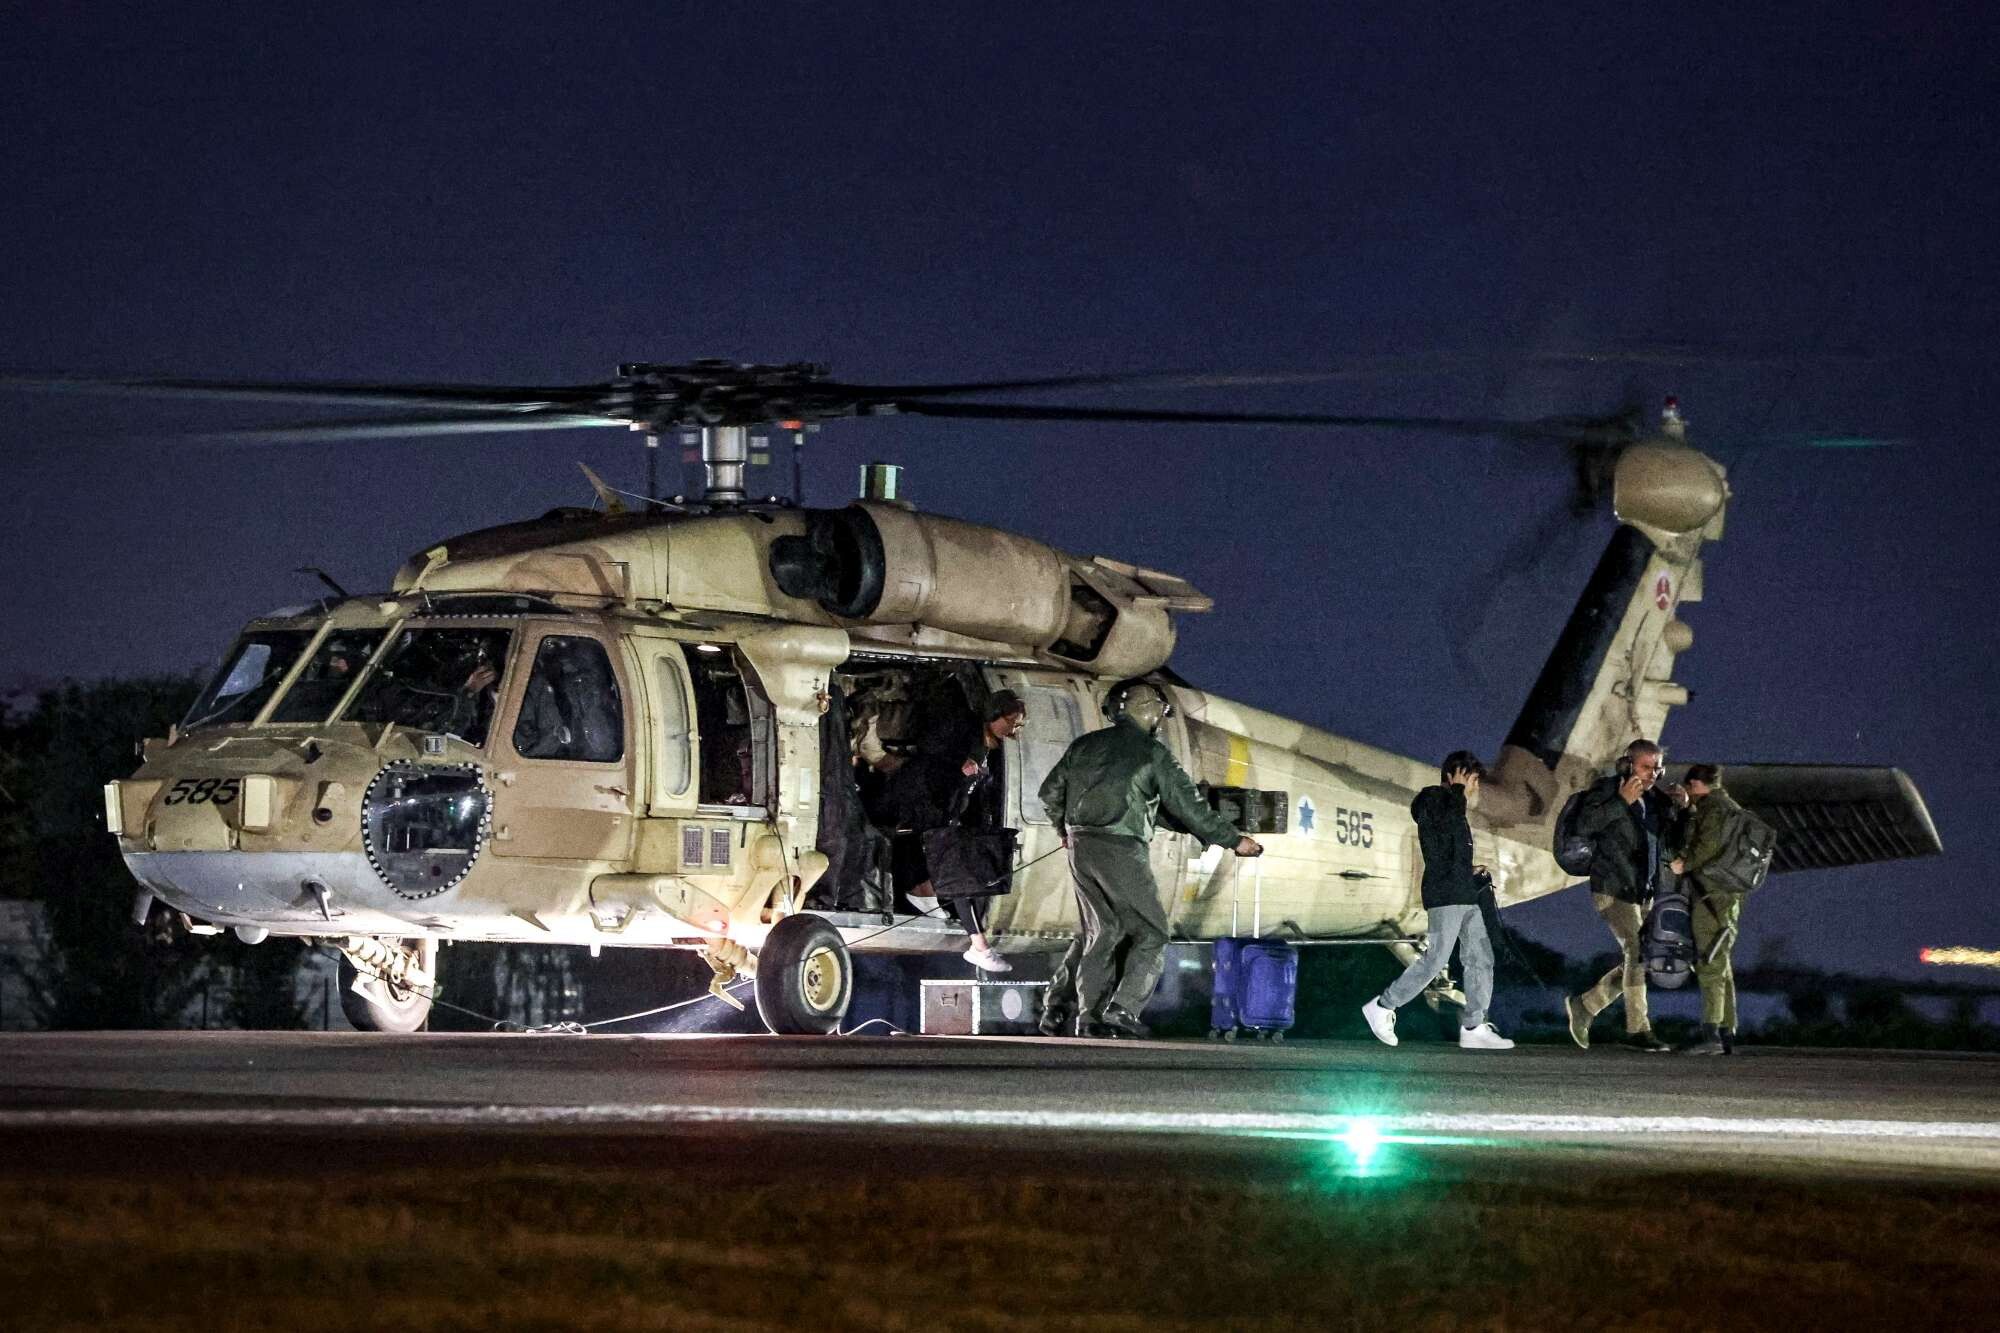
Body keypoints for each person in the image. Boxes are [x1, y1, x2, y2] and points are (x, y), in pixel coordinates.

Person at [1038, 680, 1263, 1039]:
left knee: (1103, 931)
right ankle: (1123, 1008)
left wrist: (1062, 830)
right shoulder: (1152, 753)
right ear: (1147, 711)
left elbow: (1049, 793)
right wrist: (1234, 840)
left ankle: (1085, 1016)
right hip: (1121, 848)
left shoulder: (1084, 745)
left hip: (1081, 847)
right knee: (1153, 931)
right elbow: (1189, 805)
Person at [1361, 752, 1515, 1050]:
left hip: (1465, 891)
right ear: (1454, 776)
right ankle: (1382, 1006)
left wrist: (1469, 870)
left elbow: (1446, 850)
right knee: (1436, 959)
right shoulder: (1432, 799)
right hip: (1445, 894)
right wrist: (1456, 790)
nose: (1475, 787)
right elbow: (1441, 826)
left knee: (1481, 958)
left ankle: (1474, 1027)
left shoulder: (1456, 807)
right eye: (1472, 780)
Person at [1563, 739, 1688, 1052]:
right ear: (1627, 765)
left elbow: (1672, 841)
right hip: (1612, 888)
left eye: (1658, 768)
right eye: (1646, 767)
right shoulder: (1606, 791)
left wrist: (1684, 809)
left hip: (1643, 892)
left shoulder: (1657, 801)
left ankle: (1585, 1006)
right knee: (1637, 952)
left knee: (1640, 959)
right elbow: (1584, 825)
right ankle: (1638, 1030)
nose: (1653, 774)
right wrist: (1621, 801)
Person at [897, 689, 1026, 972]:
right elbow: (932, 760)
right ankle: (979, 946)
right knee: (960, 878)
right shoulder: (963, 735)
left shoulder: (985, 748)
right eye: (1011, 721)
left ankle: (925, 893)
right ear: (994, 714)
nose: (1014, 729)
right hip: (930, 810)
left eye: (1018, 725)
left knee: (961, 876)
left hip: (946, 815)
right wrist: (959, 768)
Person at [1671, 764, 1744, 1055]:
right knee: (1721, 961)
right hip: (1727, 896)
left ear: (1695, 784)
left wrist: (1684, 864)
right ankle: (1727, 1031)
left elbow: (1707, 846)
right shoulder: (1732, 808)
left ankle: (1710, 1033)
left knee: (1709, 961)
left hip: (1710, 896)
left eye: (1690, 788)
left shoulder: (1713, 809)